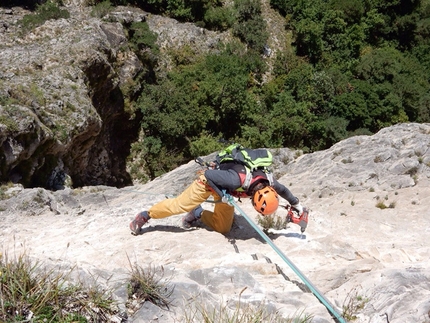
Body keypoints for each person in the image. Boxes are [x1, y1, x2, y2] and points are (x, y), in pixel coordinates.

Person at [129, 159, 304, 235]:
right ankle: (146, 215)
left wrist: (296, 204)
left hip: (226, 191)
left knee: (223, 228)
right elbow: (210, 175)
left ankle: (197, 214)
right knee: (178, 206)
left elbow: (283, 190)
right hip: (208, 183)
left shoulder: (269, 181)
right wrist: (223, 196)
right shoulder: (237, 180)